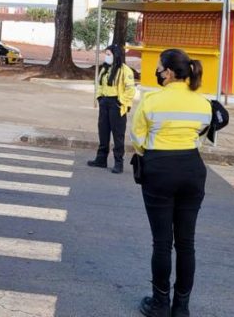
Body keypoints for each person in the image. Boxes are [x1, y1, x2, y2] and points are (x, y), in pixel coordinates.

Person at [131, 49, 211, 317]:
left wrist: (152, 155)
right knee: (187, 243)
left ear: (167, 71)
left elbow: (137, 138)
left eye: (157, 67)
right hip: (192, 168)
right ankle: (182, 307)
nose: (156, 71)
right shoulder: (203, 103)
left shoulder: (152, 100)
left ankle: (160, 303)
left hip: (159, 170)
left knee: (162, 243)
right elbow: (201, 136)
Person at [87, 44, 136, 173]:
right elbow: (99, 84)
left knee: (118, 136)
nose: (107, 57)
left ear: (116, 55)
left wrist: (121, 102)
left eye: (109, 54)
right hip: (105, 103)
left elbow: (130, 90)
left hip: (117, 105)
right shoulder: (105, 69)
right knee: (103, 132)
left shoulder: (125, 70)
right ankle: (101, 159)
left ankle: (118, 163)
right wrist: (100, 98)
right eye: (106, 54)